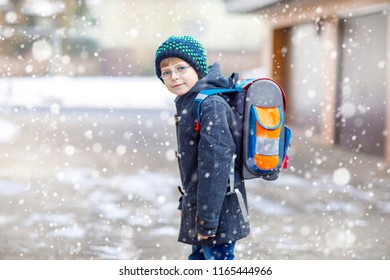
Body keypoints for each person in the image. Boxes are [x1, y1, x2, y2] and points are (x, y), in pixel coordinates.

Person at [155, 35, 250, 260]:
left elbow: (215, 167)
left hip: (218, 212)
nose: (174, 76)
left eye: (180, 68)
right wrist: (186, 203)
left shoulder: (211, 105)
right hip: (204, 209)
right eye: (166, 72)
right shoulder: (191, 101)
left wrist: (207, 222)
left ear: (197, 67)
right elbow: (196, 166)